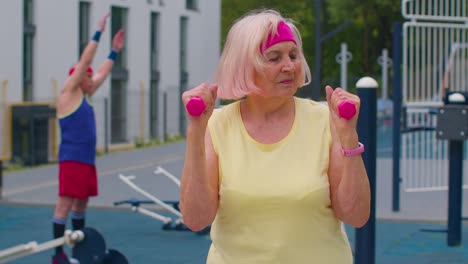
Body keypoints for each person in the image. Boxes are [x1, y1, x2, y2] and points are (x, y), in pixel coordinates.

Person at [180, 9, 371, 263]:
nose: (290, 66)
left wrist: (348, 136)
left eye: (293, 55)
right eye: (274, 58)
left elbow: (356, 215)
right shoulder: (216, 125)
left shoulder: (325, 120)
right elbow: (195, 219)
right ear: (246, 67)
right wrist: (195, 131)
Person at [51, 12, 125, 264]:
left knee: (81, 204)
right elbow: (86, 61)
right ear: (79, 77)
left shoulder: (85, 95)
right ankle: (58, 254)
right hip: (71, 158)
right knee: (65, 203)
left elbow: (101, 73)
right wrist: (99, 33)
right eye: (87, 76)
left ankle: (77, 249)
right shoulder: (68, 93)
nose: (92, 80)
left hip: (86, 160)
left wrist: (114, 51)